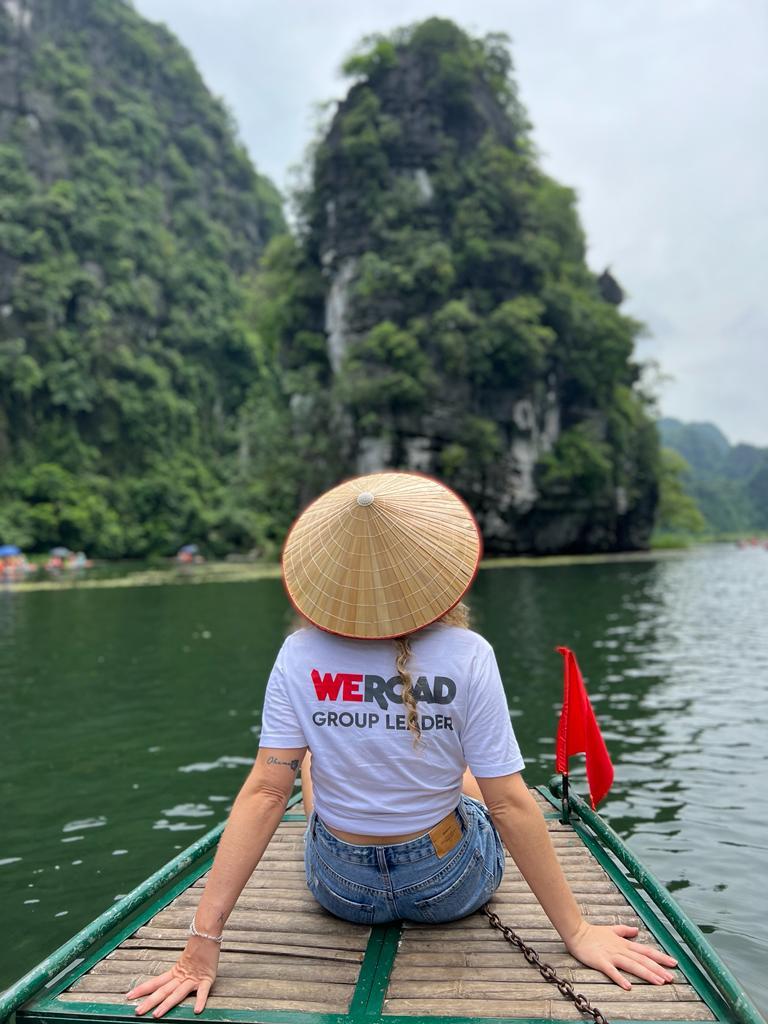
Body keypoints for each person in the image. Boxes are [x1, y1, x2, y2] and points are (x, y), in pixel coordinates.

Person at [128, 472, 677, 1018]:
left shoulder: (299, 654)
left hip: (342, 887)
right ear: (434, 573)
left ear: (329, 578)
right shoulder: (469, 653)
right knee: (470, 779)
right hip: (448, 881)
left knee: (312, 764)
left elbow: (266, 793)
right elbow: (509, 804)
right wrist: (577, 932)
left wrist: (201, 944)